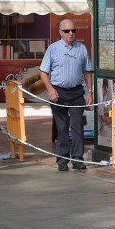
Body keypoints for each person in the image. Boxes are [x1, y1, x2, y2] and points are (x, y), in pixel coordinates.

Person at [40, 18, 93, 172]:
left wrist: (90, 92)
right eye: (67, 31)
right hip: (59, 92)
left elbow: (87, 71)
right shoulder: (53, 49)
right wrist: (50, 90)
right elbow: (43, 72)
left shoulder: (81, 48)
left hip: (76, 91)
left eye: (73, 31)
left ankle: (77, 158)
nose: (71, 34)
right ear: (60, 32)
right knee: (62, 127)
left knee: (77, 125)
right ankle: (62, 159)